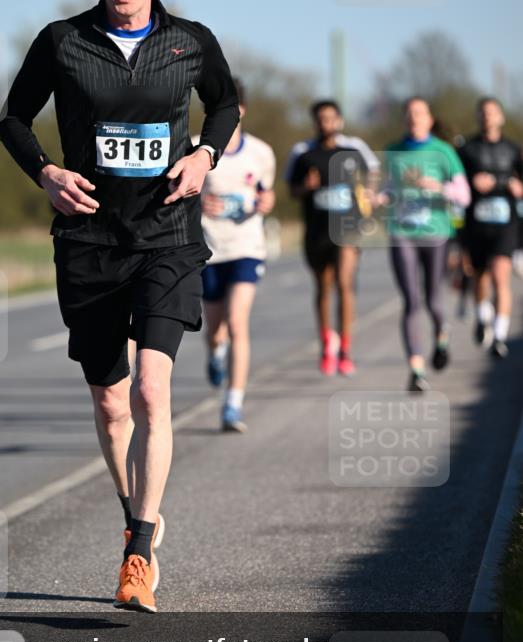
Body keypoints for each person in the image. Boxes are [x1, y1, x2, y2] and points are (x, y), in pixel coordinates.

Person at [0, 0, 239, 612]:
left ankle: (137, 549)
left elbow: (225, 103)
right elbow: (13, 119)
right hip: (90, 241)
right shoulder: (60, 42)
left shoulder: (190, 42)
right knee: (110, 403)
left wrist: (205, 157)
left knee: (151, 394)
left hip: (167, 235)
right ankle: (140, 512)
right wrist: (44, 172)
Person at [195, 78, 276, 431]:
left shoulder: (261, 153)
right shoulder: (196, 148)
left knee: (238, 321)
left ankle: (233, 404)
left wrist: (265, 203)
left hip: (246, 248)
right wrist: (198, 200)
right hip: (209, 250)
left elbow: (267, 195)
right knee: (216, 331)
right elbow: (178, 191)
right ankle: (215, 353)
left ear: (240, 111)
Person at [382, 97, 471, 391]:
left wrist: (439, 187)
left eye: (419, 113)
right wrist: (379, 198)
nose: (413, 118)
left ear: (430, 119)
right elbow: (388, 189)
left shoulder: (444, 152)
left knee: (433, 299)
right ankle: (416, 370)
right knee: (410, 300)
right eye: (408, 113)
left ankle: (441, 334)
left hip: (435, 232)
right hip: (402, 231)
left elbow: (464, 195)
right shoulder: (394, 151)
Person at [288, 100, 378, 376]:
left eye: (331, 118)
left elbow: (373, 172)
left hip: (347, 230)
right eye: (321, 119)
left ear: (339, 121)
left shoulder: (353, 150)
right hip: (316, 232)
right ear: (315, 122)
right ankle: (328, 342)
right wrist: (306, 186)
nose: (326, 123)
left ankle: (346, 347)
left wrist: (369, 194)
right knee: (324, 288)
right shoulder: (304, 154)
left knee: (344, 283)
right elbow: (291, 190)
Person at [458, 97, 523, 357]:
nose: (488, 117)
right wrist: (471, 184)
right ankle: (483, 316)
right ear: (478, 117)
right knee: (480, 278)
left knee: (500, 277)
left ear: (501, 117)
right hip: (476, 224)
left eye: (493, 113)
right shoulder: (467, 150)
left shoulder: (513, 149)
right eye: (483, 113)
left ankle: (499, 336)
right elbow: (456, 186)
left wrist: (516, 187)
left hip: (505, 225)